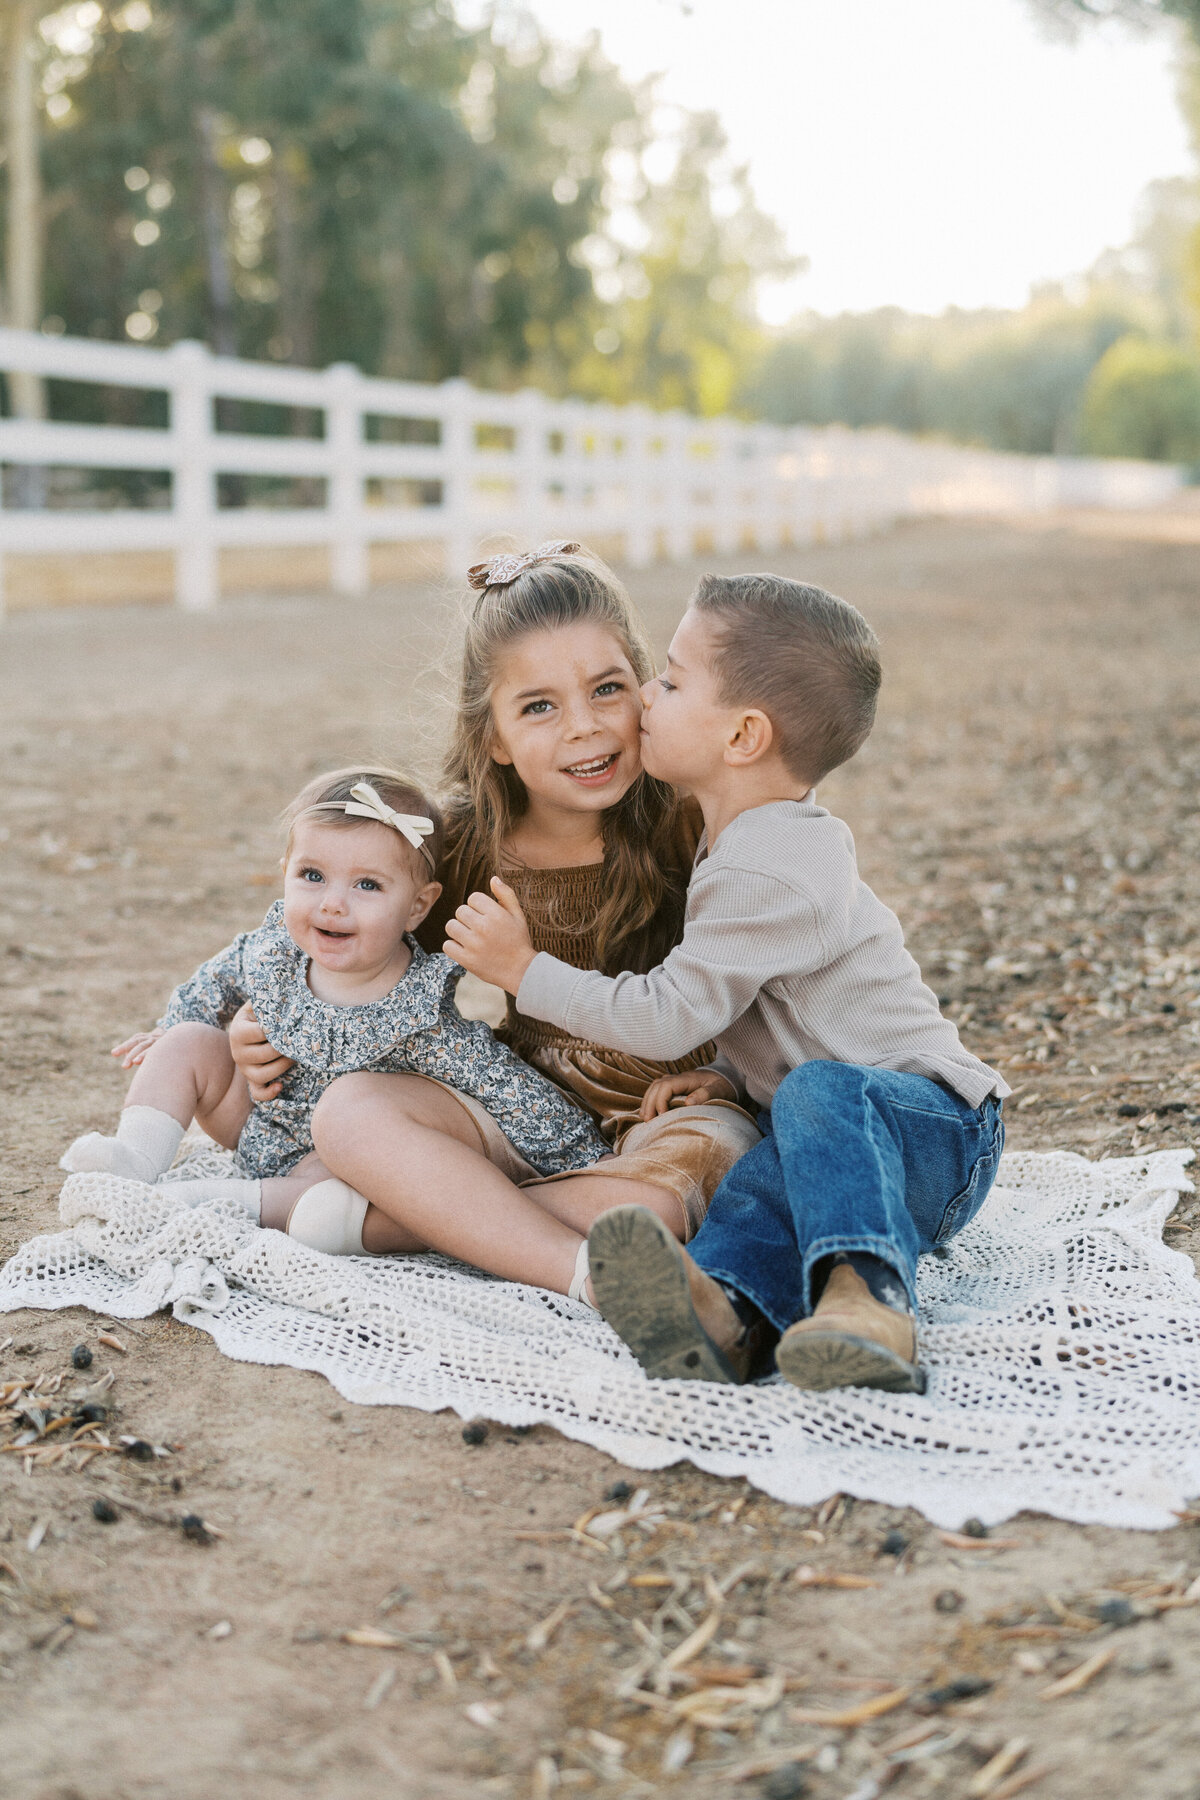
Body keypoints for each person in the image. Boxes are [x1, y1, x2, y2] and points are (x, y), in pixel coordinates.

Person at [444, 573, 1008, 1391]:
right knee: (760, 1186)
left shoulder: (776, 863)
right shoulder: (737, 839)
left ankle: (870, 1300)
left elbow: (672, 1013)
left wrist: (527, 973)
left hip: (937, 1130)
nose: (644, 695)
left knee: (818, 1095)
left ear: (742, 736)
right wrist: (725, 1074)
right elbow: (792, 1013)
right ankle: (729, 1320)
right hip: (835, 1143)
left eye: (669, 681)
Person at [230, 544, 760, 1299]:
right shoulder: (465, 843)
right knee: (349, 1113)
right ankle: (582, 1271)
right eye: (539, 706)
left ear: (647, 690)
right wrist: (269, 1019)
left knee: (671, 1196)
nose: (583, 727)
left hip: (674, 1105)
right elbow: (344, 935)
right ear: (494, 738)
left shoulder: (689, 821)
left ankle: (391, 1220)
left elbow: (764, 969)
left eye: (607, 689)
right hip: (517, 1100)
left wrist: (726, 1074)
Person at [61, 766, 608, 1274]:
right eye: (312, 876)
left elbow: (496, 1083)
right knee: (186, 1042)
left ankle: (227, 1204)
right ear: (285, 874)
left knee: (339, 1191)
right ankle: (135, 1157)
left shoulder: (416, 1009)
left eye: (367, 885)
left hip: (331, 1161)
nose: (333, 904)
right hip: (258, 1117)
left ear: (418, 906)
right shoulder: (275, 949)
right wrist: (173, 1025)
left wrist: (579, 1153)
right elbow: (216, 982)